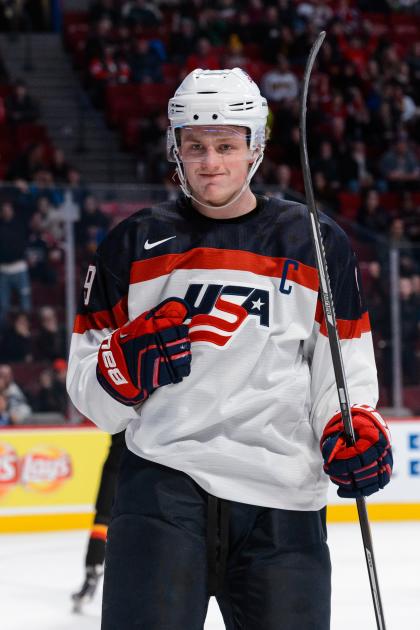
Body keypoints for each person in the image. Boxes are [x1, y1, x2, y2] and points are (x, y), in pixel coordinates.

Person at [67, 68, 392, 630]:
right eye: (195, 146)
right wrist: (120, 370)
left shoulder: (315, 240)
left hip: (283, 501)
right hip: (162, 491)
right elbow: (92, 399)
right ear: (176, 148)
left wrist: (351, 424)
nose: (210, 162)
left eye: (225, 145)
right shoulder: (132, 242)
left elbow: (341, 373)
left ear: (255, 148)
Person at [71, 430, 126, 612]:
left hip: (117, 464)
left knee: (102, 518)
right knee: (105, 519)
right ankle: (93, 571)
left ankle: (92, 572)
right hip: (136, 468)